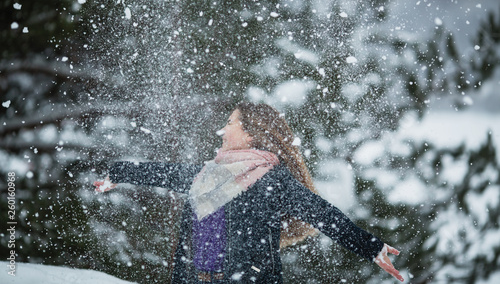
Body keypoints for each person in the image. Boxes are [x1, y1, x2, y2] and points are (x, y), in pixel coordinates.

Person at [94, 102, 404, 283]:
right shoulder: (206, 175)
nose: (223, 130)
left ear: (250, 134)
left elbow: (322, 215)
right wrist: (118, 172)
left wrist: (370, 246)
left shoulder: (273, 180)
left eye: (230, 123)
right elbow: (165, 172)